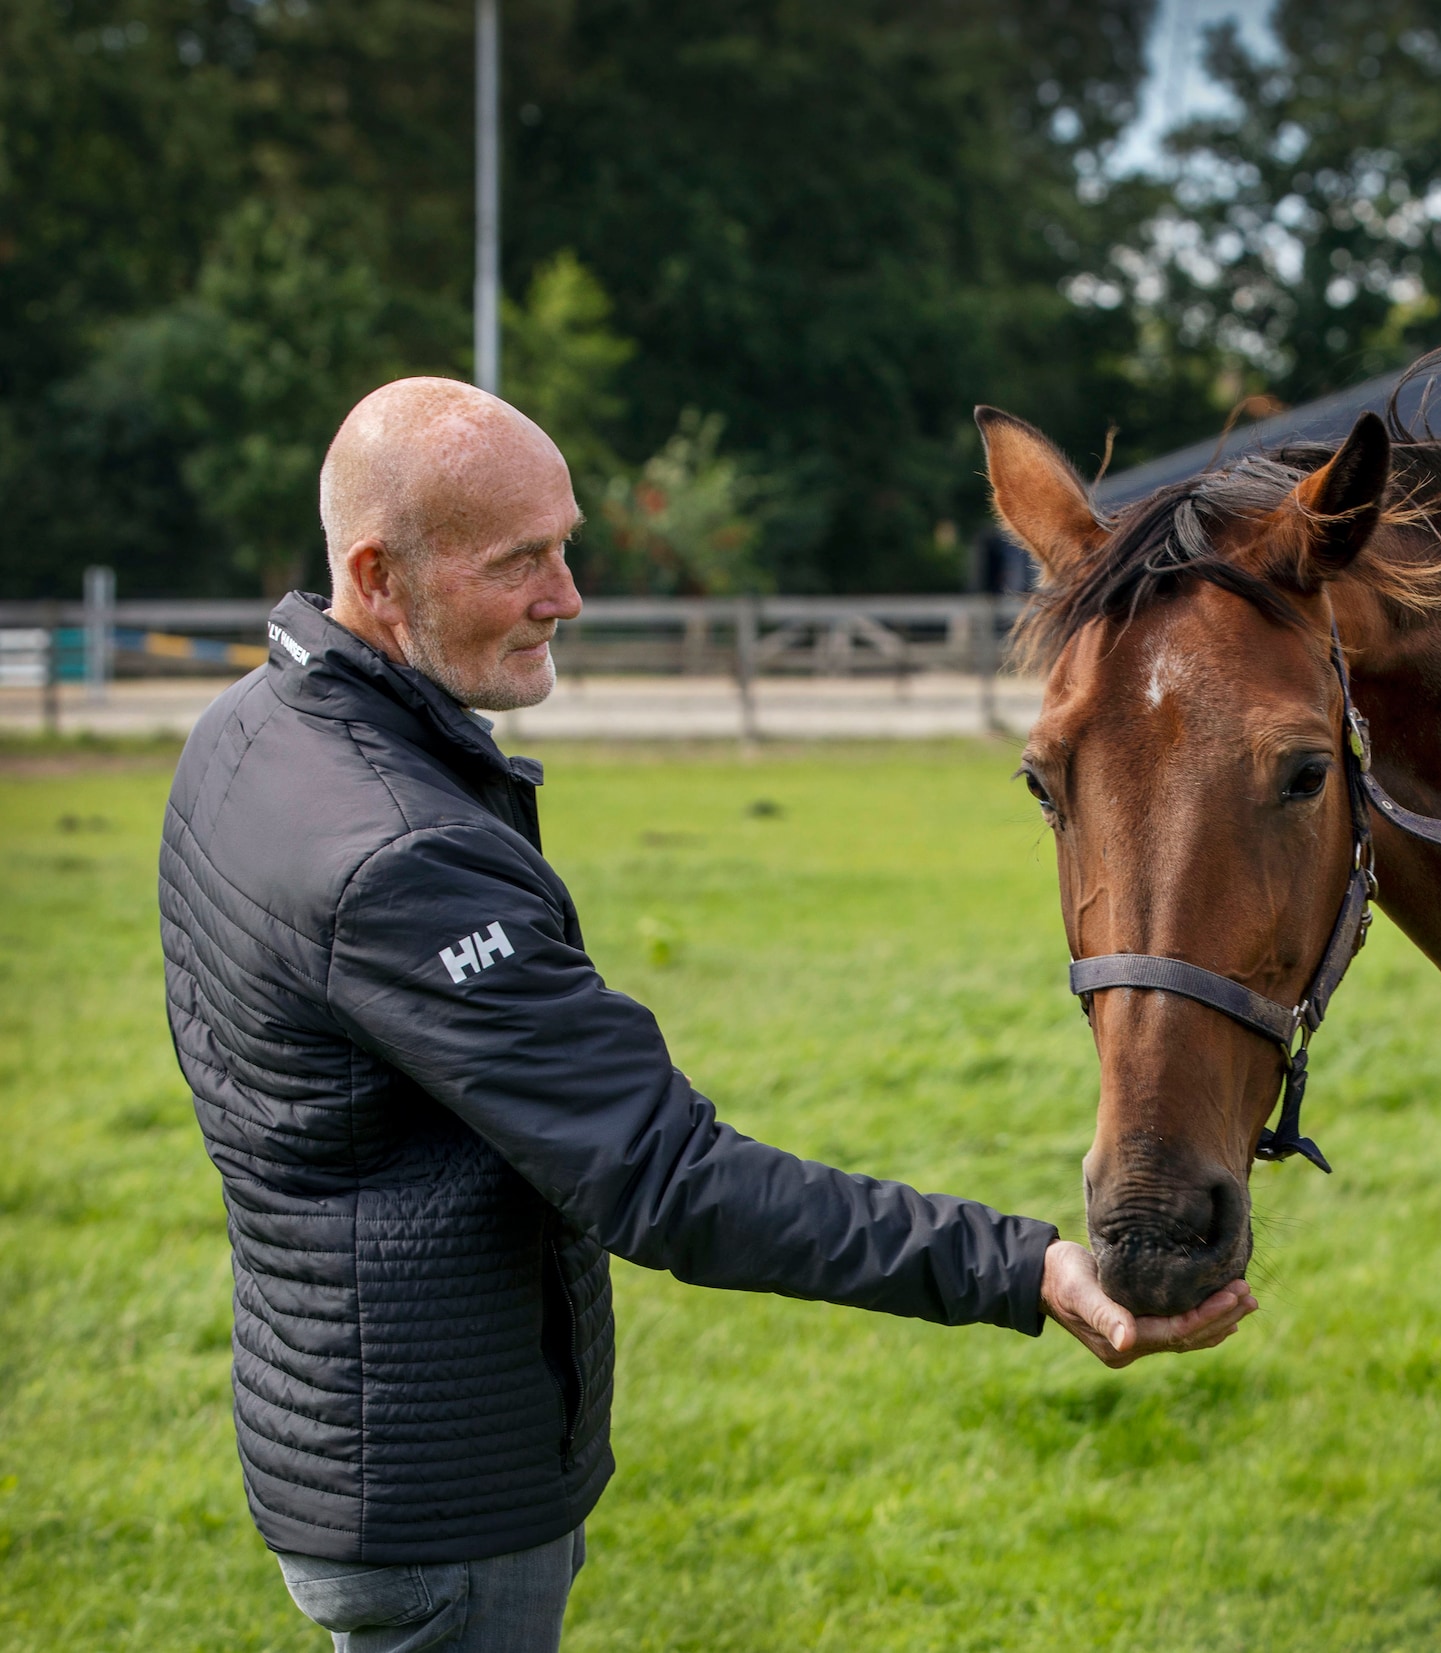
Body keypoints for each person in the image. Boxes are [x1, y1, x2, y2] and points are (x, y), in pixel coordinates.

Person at [157, 378, 1255, 1652]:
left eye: (565, 546)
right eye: (519, 563)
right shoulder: (399, 858)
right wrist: (1021, 1269)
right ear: (377, 576)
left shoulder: (250, 731)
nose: (567, 596)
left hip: (333, 1424)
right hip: (441, 1498)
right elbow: (666, 1177)